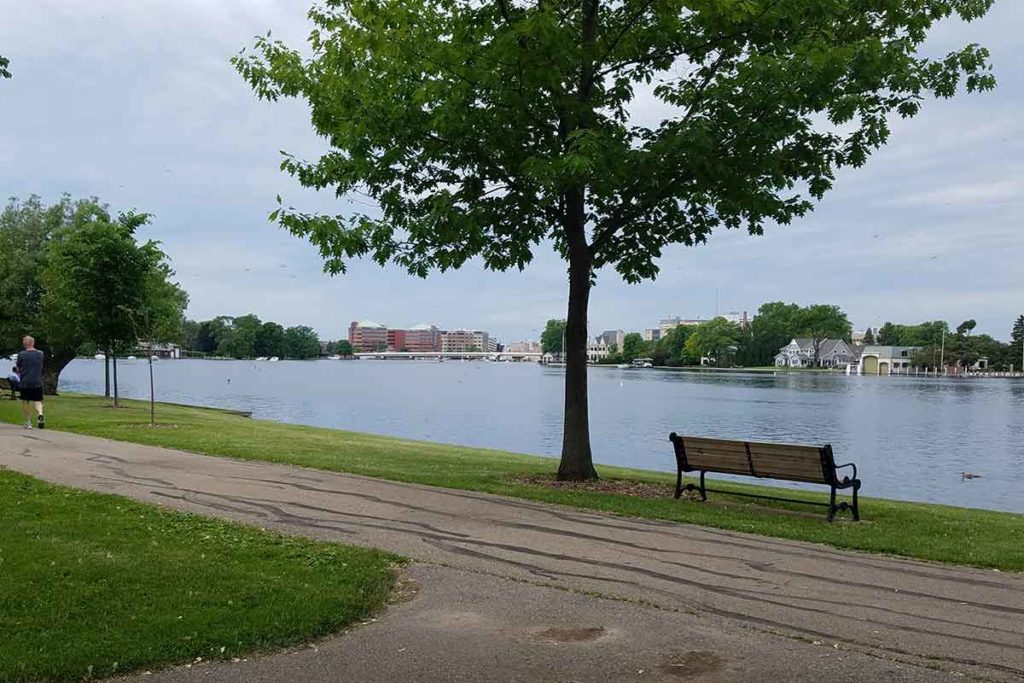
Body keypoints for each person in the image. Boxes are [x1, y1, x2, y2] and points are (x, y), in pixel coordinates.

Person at [16, 335, 45, 429]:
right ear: (33, 343)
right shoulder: (40, 353)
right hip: (37, 381)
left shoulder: (21, 354)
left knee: (25, 401)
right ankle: (40, 414)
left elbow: (18, 367)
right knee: (38, 400)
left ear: (25, 344)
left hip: (25, 381)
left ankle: (28, 422)